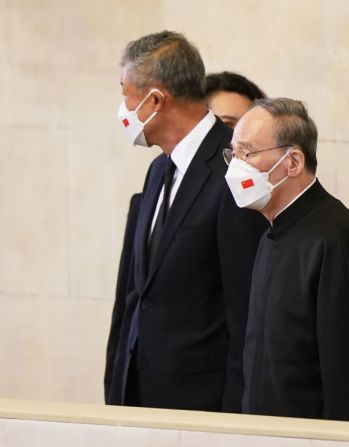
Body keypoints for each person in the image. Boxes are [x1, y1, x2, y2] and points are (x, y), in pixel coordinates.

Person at [104, 30, 266, 412]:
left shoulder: (234, 168)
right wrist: (117, 383)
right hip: (142, 396)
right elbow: (135, 296)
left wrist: (234, 420)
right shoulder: (159, 167)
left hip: (202, 408)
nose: (123, 109)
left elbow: (246, 312)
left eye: (126, 94)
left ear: (156, 99)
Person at [224, 98, 349, 422]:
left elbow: (348, 375)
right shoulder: (272, 229)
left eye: (247, 153)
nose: (235, 166)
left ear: (293, 161)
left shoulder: (337, 237)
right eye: (233, 153)